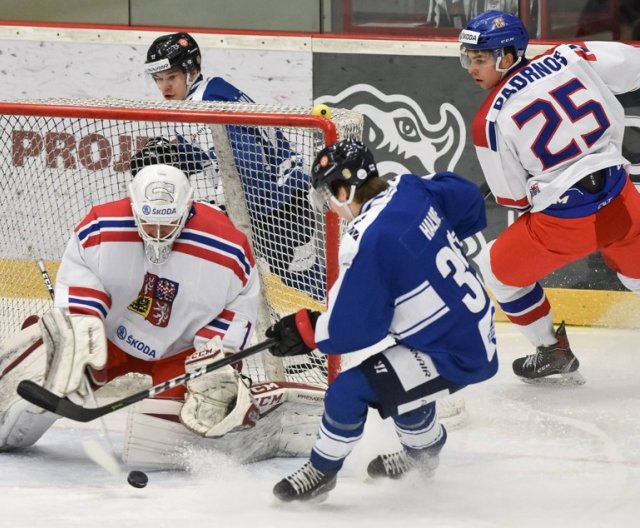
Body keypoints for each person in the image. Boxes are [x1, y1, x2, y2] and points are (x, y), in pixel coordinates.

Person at [0, 161, 323, 463]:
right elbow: (82, 277)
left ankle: (250, 415)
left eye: (167, 223)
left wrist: (214, 358)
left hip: (180, 351)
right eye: (148, 222)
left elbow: (237, 305)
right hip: (109, 337)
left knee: (182, 431)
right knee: (40, 378)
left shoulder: (228, 245)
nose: (157, 232)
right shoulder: (101, 225)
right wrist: (80, 324)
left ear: (188, 208)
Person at [264, 139, 498, 502]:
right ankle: (423, 456)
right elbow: (465, 196)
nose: (328, 204)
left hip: (454, 353)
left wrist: (307, 331)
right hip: (469, 325)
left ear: (344, 190)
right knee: (401, 390)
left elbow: (355, 328)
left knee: (347, 391)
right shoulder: (409, 188)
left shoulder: (368, 239)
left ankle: (322, 472)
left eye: (327, 194)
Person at [459, 10, 640, 385]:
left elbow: (513, 200)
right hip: (622, 198)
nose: (471, 68)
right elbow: (633, 65)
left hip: (564, 222)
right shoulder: (570, 55)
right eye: (468, 58)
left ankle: (551, 350)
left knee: (497, 270)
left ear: (506, 57)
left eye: (479, 59)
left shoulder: (489, 121)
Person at [144, 32, 325, 302]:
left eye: (171, 77)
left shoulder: (212, 100)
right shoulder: (195, 101)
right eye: (159, 79)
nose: (164, 87)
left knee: (301, 286)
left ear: (191, 71)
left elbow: (248, 164)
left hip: (282, 210)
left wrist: (214, 206)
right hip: (262, 208)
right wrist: (173, 156)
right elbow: (210, 157)